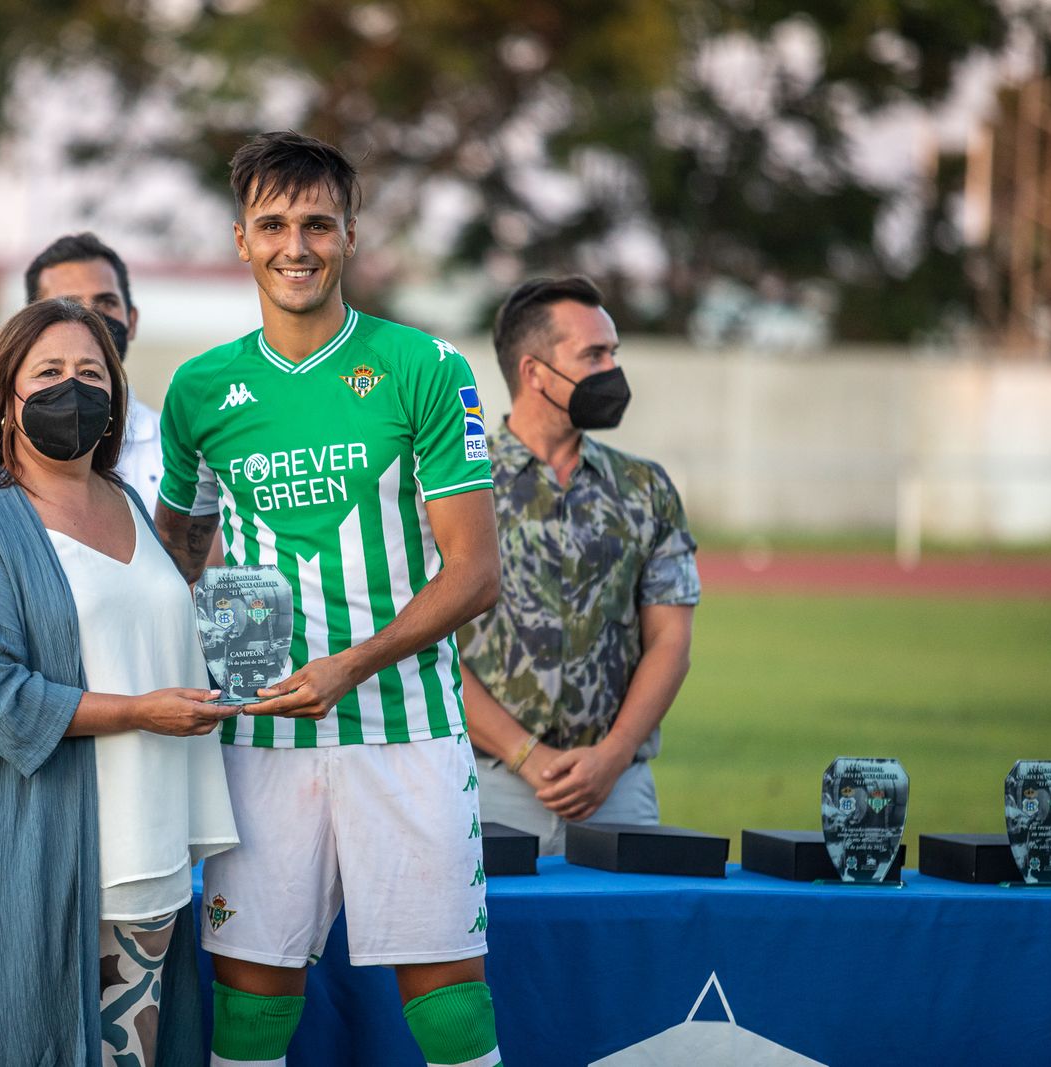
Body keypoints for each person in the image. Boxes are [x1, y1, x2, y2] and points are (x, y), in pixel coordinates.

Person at [153, 131, 506, 1067]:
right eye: (272, 224)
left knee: (450, 1005)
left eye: (317, 223)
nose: (295, 245)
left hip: (407, 724)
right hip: (261, 734)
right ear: (240, 239)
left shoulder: (425, 367)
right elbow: (171, 554)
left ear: (352, 234)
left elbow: (475, 570)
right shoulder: (199, 389)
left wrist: (351, 664)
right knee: (253, 1005)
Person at [0, 298, 240, 1067]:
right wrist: (140, 712)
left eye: (92, 373)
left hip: (152, 850)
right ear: (7, 395)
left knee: (138, 1054)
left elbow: (162, 641)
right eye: (49, 372)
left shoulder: (127, 502)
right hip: (49, 853)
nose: (74, 388)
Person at [459, 275, 701, 856]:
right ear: (534, 372)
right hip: (485, 788)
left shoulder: (647, 488)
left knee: (624, 946)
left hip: (617, 791)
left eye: (613, 353)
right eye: (593, 354)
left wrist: (613, 756)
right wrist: (527, 756)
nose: (611, 371)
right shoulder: (454, 488)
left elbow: (670, 640)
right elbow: (422, 645)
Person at [25, 232, 164, 508]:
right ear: (31, 326)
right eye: (69, 305)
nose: (91, 319)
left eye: (106, 303)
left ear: (132, 320)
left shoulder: (174, 449)